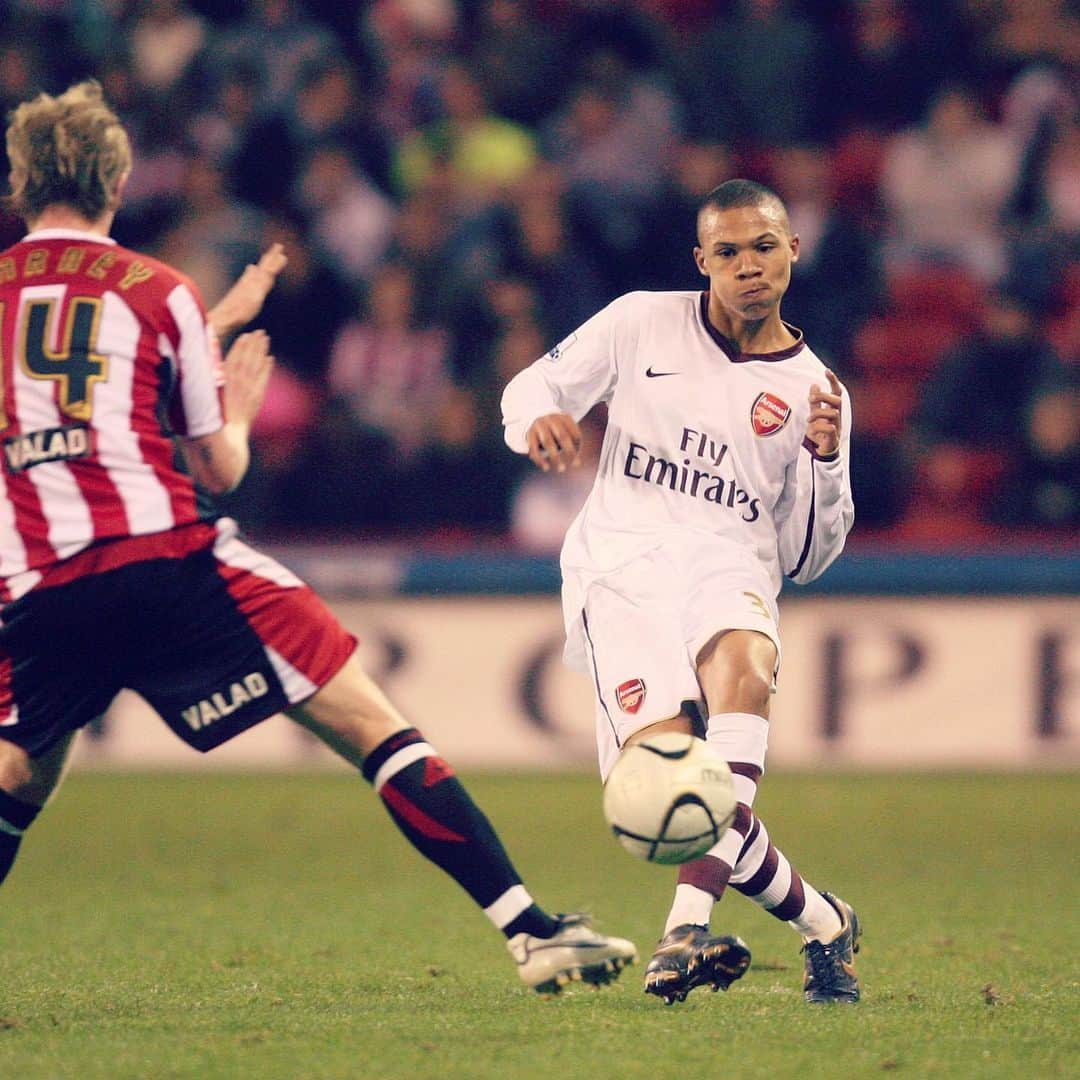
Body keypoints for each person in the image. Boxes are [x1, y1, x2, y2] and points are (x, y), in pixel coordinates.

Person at [0, 79, 637, 995]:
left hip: (41, 584)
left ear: (20, 183)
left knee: (18, 778)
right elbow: (217, 470)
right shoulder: (158, 289)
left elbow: (66, 383)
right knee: (370, 725)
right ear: (119, 179)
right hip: (171, 562)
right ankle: (529, 930)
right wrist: (243, 412)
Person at [502, 178, 861, 1005]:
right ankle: (825, 922)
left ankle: (683, 932)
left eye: (764, 248)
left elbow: (806, 556)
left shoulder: (818, 392)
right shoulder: (639, 321)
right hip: (620, 567)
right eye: (728, 253)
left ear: (792, 252)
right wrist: (539, 423)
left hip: (729, 565)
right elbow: (531, 388)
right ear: (702, 261)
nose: (748, 267)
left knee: (745, 669)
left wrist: (826, 459)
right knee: (676, 793)